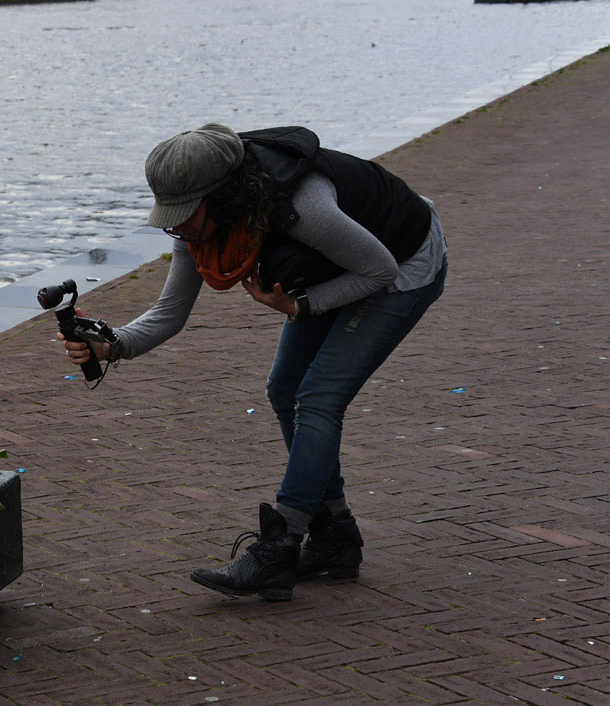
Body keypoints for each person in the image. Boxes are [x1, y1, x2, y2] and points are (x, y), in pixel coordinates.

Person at [59, 123, 447, 602]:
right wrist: (109, 343)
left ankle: (278, 548)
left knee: (319, 396)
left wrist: (304, 306)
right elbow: (169, 313)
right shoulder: (197, 218)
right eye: (169, 215)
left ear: (223, 196)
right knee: (284, 389)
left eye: (183, 215)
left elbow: (379, 268)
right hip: (335, 266)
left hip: (400, 265)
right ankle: (334, 536)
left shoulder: (304, 208)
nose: (174, 226)